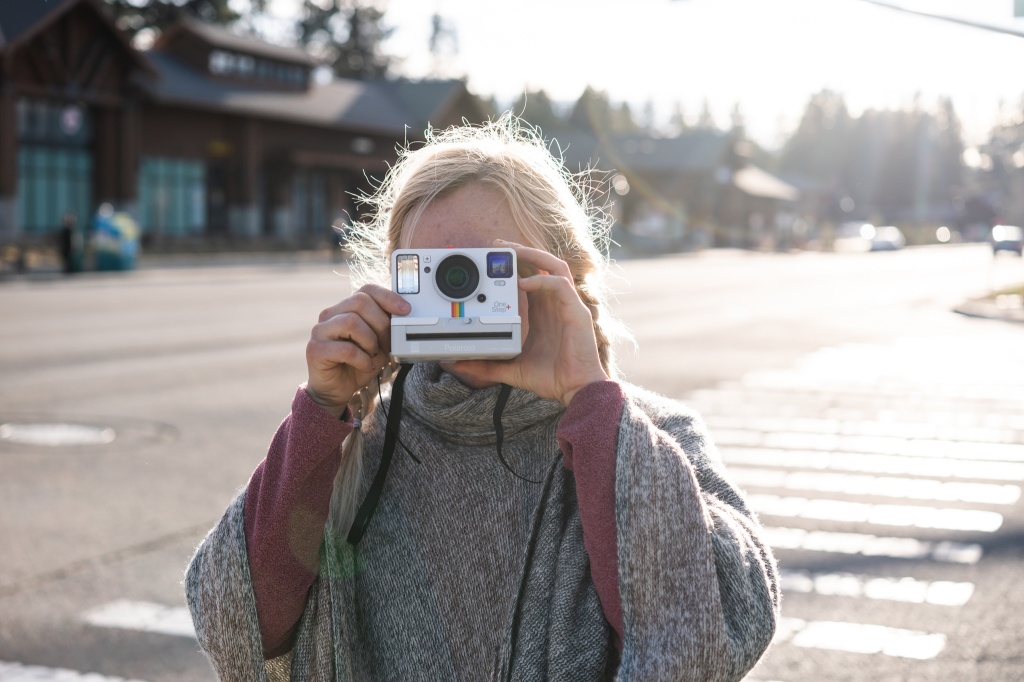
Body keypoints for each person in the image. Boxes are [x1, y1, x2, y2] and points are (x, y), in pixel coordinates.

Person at [186, 115, 780, 681]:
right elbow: (235, 622)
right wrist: (320, 414)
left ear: (566, 277)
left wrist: (592, 404)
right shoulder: (354, 443)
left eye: (488, 268)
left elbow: (719, 629)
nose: (459, 298)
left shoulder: (648, 436)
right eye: (435, 271)